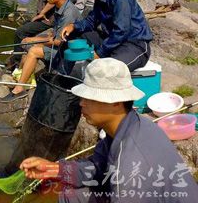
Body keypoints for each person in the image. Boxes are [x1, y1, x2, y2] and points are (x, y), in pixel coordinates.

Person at [20, 58, 198, 202]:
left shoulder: (129, 171)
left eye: (90, 97)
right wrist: (56, 169)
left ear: (115, 102)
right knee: (68, 195)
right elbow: (99, 167)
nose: (81, 103)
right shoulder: (132, 125)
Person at [2, 0, 80, 102]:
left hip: (68, 52)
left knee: (33, 50)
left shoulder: (68, 13)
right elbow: (53, 34)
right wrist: (33, 39)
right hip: (62, 46)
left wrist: (34, 40)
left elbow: (60, 42)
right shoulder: (61, 8)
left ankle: (19, 89)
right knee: (28, 42)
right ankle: (22, 75)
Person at [60, 0, 153, 72]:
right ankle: (63, 73)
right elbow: (91, 21)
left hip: (133, 44)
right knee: (73, 35)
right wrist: (73, 26)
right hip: (112, 40)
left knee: (109, 71)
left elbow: (121, 31)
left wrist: (100, 53)